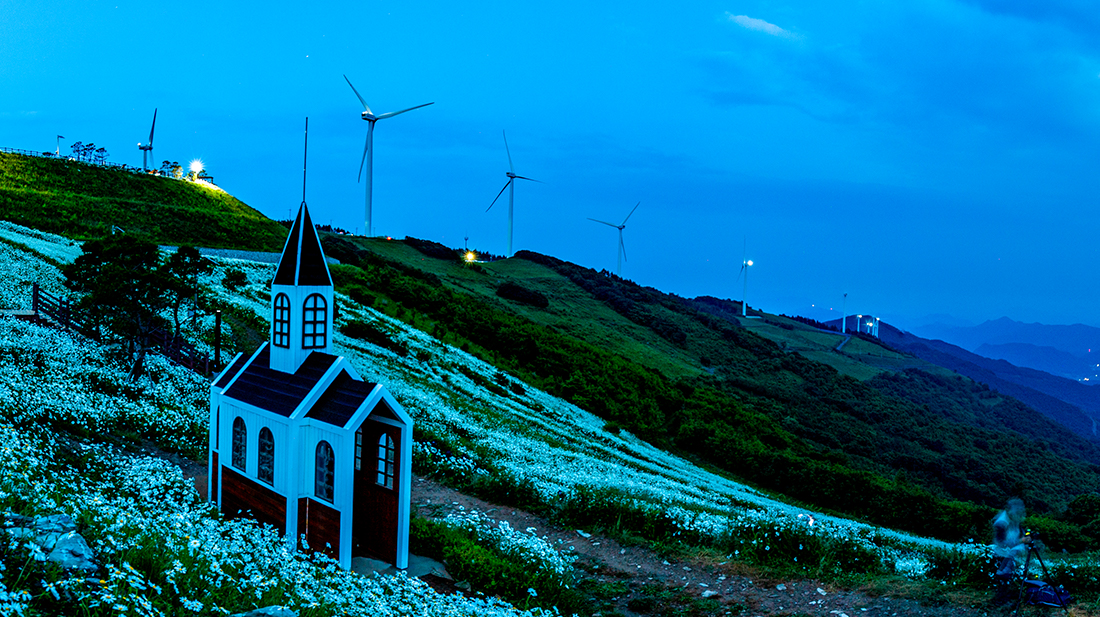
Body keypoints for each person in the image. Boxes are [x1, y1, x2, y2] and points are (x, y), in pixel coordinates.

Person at [992, 498, 1031, 606]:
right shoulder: (1001, 523)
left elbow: (1019, 534)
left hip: (1012, 555)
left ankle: (1007, 600)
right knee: (1003, 581)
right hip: (1001, 555)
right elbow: (1002, 543)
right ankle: (1000, 603)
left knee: (1008, 581)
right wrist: (1021, 540)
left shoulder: (1014, 520)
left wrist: (1025, 538)